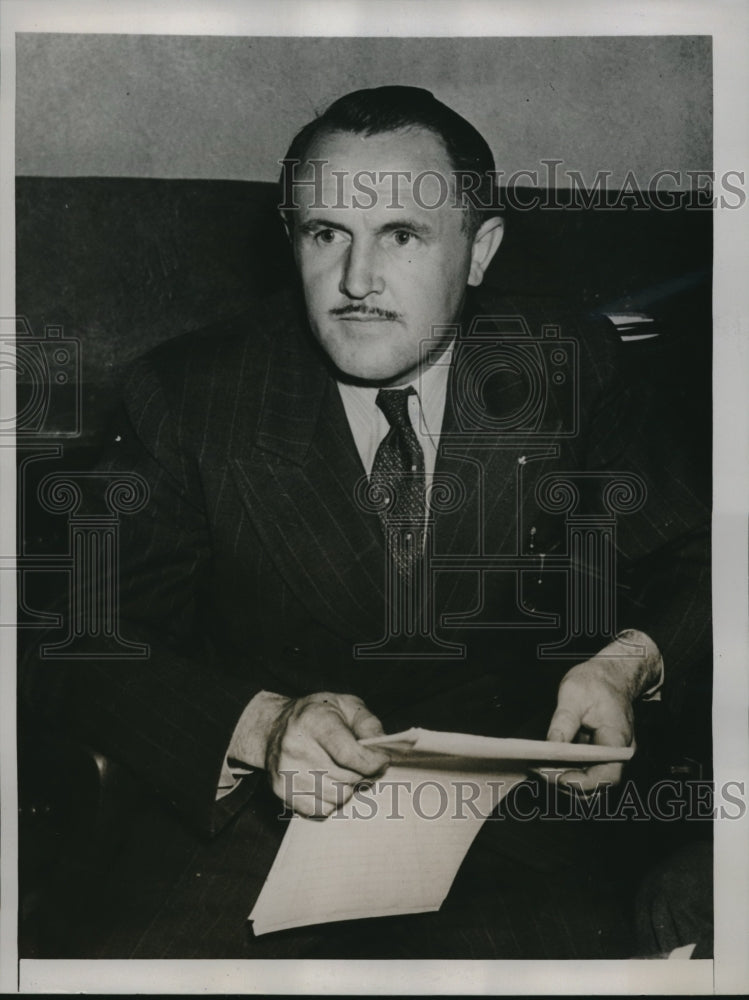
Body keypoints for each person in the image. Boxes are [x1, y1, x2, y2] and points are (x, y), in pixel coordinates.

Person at [22, 86, 710, 959]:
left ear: (479, 251)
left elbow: (705, 553)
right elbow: (66, 640)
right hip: (245, 837)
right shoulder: (187, 396)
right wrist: (258, 725)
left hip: (508, 838)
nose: (355, 282)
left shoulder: (565, 363)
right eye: (326, 234)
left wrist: (627, 661)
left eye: (402, 235)